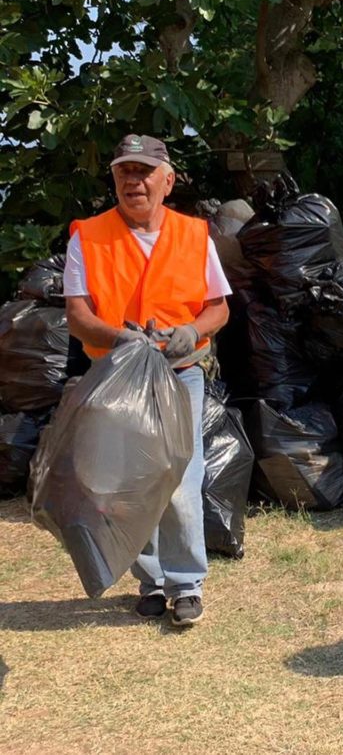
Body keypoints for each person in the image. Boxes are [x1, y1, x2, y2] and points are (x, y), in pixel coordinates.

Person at [63, 133, 232, 627]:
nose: (133, 181)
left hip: (180, 374)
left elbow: (217, 308)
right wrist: (119, 340)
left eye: (143, 171)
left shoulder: (194, 235)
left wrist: (190, 331)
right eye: (124, 172)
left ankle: (186, 585)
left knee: (179, 479)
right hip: (116, 378)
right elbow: (77, 314)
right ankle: (151, 580)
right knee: (128, 482)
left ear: (167, 179)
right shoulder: (88, 236)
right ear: (114, 179)